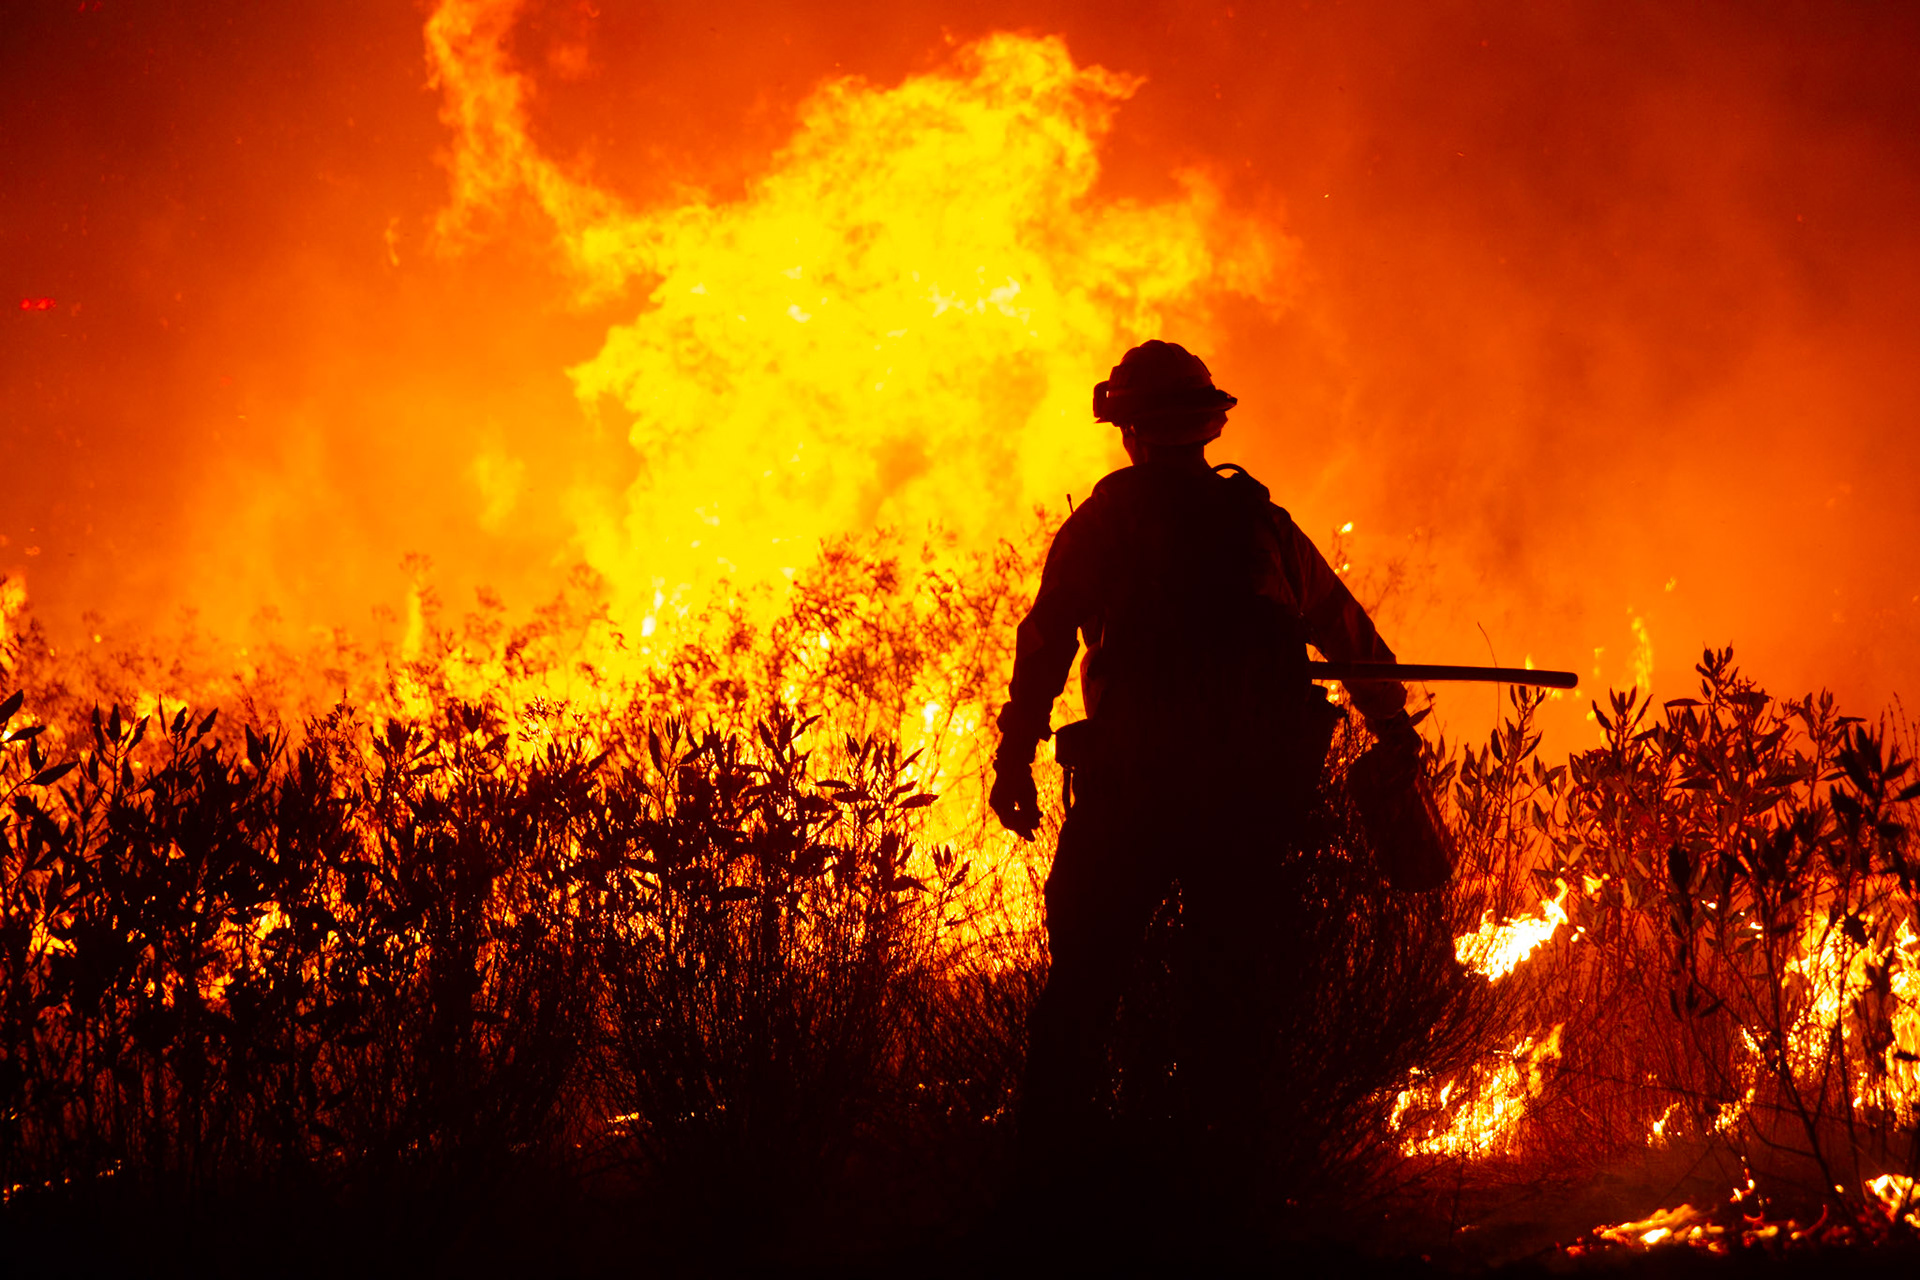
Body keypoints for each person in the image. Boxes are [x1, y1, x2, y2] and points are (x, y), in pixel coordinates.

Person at [989, 339, 1421, 1224]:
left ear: (1129, 431)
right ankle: (1234, 1188)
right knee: (1234, 986)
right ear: (1202, 424)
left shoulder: (1105, 523)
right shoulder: (1258, 523)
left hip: (1133, 787)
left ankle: (1045, 1195)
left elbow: (1045, 643)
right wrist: (1389, 727)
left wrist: (1016, 754)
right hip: (1248, 791)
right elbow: (1347, 632)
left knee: (1084, 986)